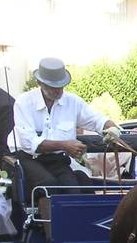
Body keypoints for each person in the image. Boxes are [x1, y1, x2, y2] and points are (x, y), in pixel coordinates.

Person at [13, 57, 122, 197]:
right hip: (29, 159)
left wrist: (111, 129)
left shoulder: (72, 101)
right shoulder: (24, 102)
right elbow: (29, 143)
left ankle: (79, 219)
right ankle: (49, 219)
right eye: (52, 87)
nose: (58, 91)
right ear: (39, 83)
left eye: (61, 86)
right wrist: (65, 145)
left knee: (74, 188)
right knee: (48, 187)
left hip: (57, 160)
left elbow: (96, 119)